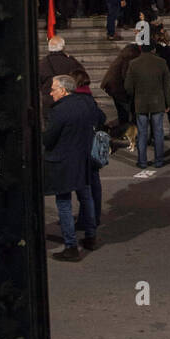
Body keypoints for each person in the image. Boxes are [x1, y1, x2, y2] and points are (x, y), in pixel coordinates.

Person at [43, 75, 105, 260]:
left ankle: (70, 246)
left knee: (63, 203)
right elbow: (100, 118)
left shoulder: (59, 111)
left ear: (63, 90)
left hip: (63, 162)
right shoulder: (86, 103)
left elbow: (49, 139)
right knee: (86, 197)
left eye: (53, 89)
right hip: (84, 159)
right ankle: (90, 236)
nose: (50, 92)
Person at [124, 44, 170, 178]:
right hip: (158, 102)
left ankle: (142, 161)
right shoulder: (161, 63)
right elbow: (167, 85)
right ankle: (159, 160)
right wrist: (168, 102)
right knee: (158, 131)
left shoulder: (133, 63)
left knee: (142, 132)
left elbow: (128, 86)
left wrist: (134, 96)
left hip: (141, 102)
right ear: (154, 49)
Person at [72, 68, 106, 238]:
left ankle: (88, 220)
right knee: (95, 183)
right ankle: (95, 216)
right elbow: (102, 118)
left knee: (84, 187)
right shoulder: (90, 98)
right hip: (94, 147)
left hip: (81, 147)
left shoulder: (76, 99)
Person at [100, 32, 142, 130]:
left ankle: (125, 131)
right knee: (125, 113)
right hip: (118, 87)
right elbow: (126, 75)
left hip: (114, 86)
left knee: (125, 112)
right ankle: (125, 133)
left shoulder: (129, 52)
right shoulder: (132, 54)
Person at [39, 35, 85, 123]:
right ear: (63, 47)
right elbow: (82, 77)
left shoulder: (42, 64)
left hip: (49, 101)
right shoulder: (71, 62)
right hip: (69, 100)